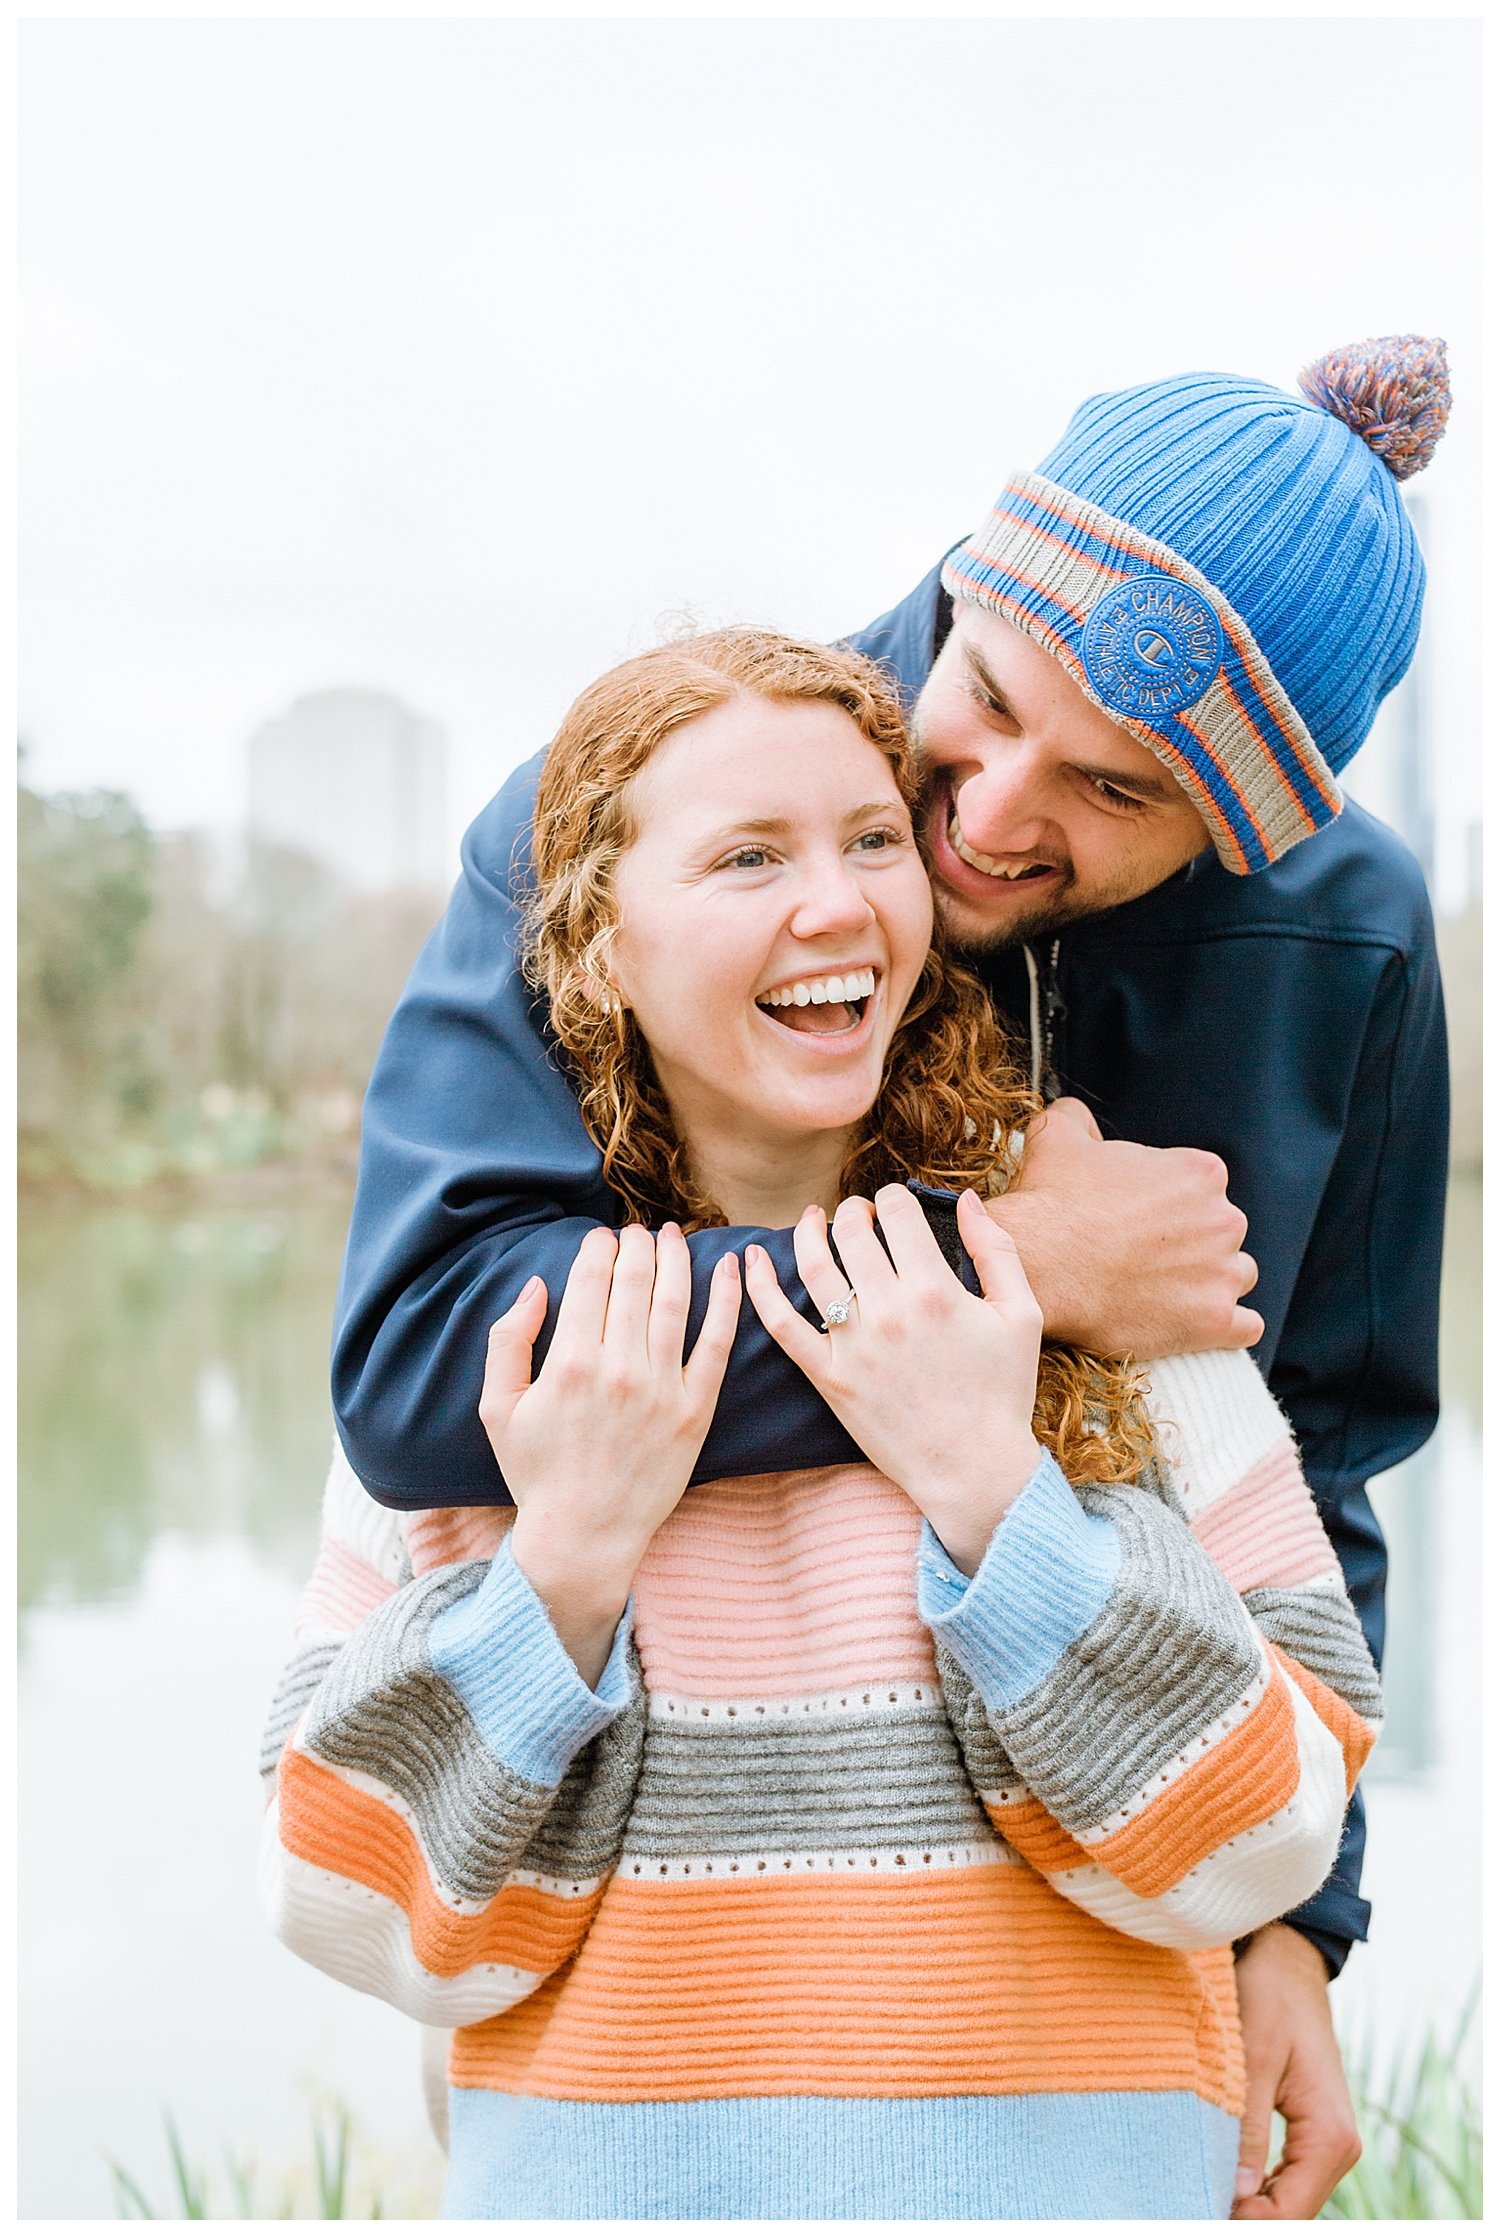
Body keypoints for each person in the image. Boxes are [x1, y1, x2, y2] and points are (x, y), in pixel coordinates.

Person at [328, 335, 1451, 2215]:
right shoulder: (635, 809)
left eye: (1113, 793)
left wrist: (1295, 1928)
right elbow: (431, 1371)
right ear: (966, 584)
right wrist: (1014, 1262)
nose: (991, 813)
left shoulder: (1350, 941)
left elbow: (1318, 1455)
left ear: (1243, 828)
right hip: (659, 2045)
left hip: (1096, 2041)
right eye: (985, 693)